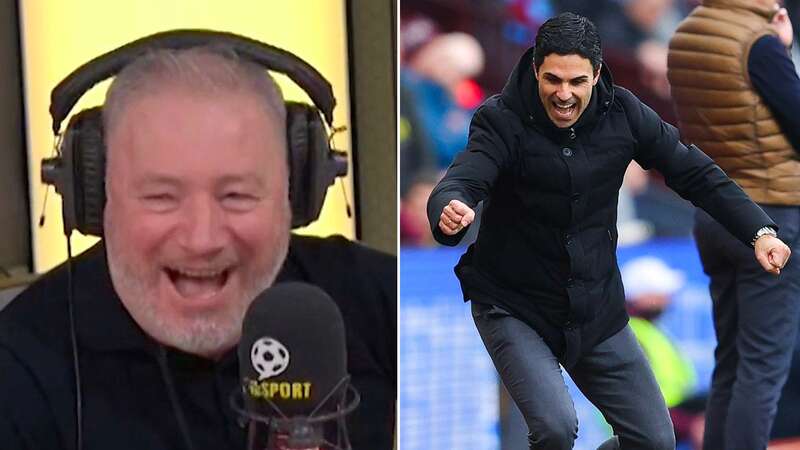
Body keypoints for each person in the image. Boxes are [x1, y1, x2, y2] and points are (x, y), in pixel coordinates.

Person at [0, 46, 395, 450]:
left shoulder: (385, 303)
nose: (202, 239)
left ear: (296, 195)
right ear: (97, 198)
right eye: (161, 197)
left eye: (236, 196)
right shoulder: (17, 365)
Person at [427, 12, 790, 450]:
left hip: (595, 309)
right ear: (536, 68)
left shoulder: (625, 112)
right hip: (514, 306)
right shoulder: (500, 118)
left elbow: (694, 172)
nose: (564, 95)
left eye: (577, 81)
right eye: (553, 80)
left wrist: (759, 231)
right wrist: (449, 207)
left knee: (654, 441)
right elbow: (465, 176)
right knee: (556, 429)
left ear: (597, 75)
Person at [667, 1, 800, 449]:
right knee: (763, 364)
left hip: (715, 209)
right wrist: (782, 50)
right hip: (771, 215)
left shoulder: (686, 32)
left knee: (731, 358)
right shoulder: (755, 40)